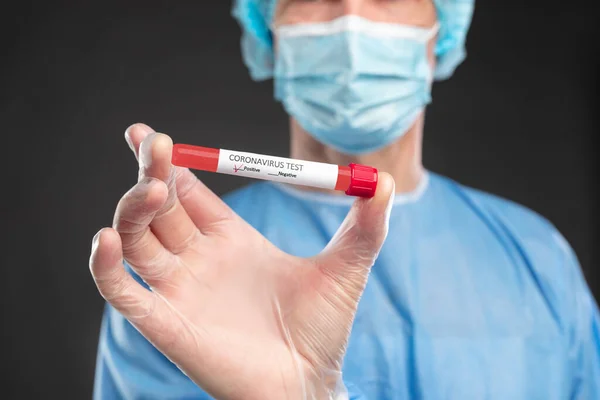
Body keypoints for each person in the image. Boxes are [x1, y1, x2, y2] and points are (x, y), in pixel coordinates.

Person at [89, 0, 600, 399]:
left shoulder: (538, 260)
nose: (353, 21)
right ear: (269, 32)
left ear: (440, 32)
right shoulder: (178, 269)